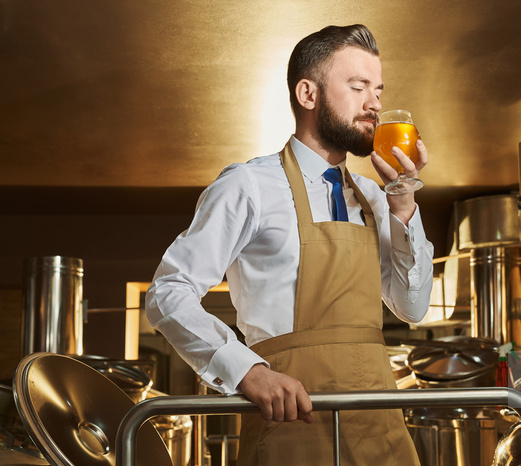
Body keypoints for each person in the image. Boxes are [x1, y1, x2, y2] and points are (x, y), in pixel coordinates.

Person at [145, 24, 434, 465]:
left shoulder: (377, 198)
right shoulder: (249, 186)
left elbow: (411, 308)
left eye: (377, 89)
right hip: (292, 427)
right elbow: (168, 293)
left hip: (381, 429)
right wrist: (246, 371)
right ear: (308, 94)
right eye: (358, 87)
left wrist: (404, 204)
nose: (374, 103)